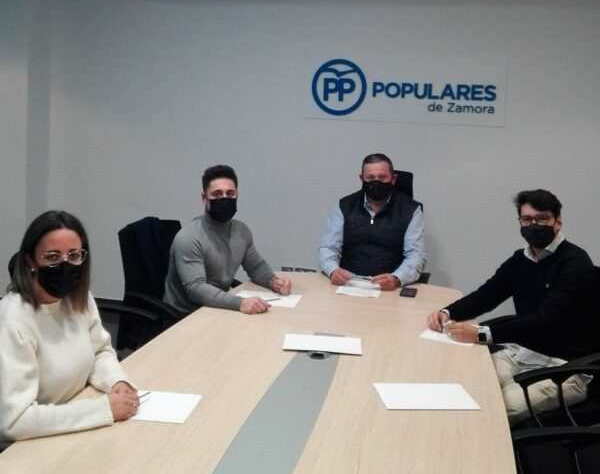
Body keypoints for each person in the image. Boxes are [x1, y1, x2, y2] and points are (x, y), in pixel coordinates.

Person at [427, 189, 599, 424]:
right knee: (465, 384)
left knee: (492, 411)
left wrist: (481, 333)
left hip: (566, 367)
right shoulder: (521, 259)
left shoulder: (575, 263)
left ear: (557, 222)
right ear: (520, 222)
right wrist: (447, 312)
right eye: (527, 219)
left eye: (542, 219)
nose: (534, 225)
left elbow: (546, 320)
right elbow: (487, 295)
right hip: (523, 353)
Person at [0, 210, 139, 444]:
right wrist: (103, 409)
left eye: (74, 255)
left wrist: (117, 381)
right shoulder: (13, 320)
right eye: (52, 257)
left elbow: (99, 351)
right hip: (25, 445)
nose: (65, 265)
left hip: (69, 425)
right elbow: (13, 422)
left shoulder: (78, 299)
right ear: (30, 261)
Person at [165, 164, 291, 315]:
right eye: (217, 194)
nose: (224, 199)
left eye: (230, 193)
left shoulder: (241, 231)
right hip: (184, 316)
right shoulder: (188, 237)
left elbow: (256, 267)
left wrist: (273, 282)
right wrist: (240, 303)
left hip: (217, 307)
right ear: (204, 198)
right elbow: (196, 289)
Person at [319, 153, 426, 290]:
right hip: (348, 285)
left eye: (382, 177)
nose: (376, 182)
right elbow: (328, 248)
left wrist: (397, 278)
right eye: (370, 178)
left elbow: (416, 255)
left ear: (393, 179)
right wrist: (333, 270)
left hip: (389, 288)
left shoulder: (411, 210)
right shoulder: (344, 206)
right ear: (361, 179)